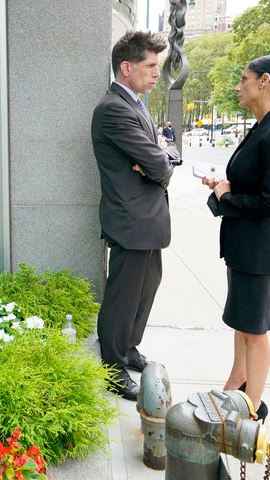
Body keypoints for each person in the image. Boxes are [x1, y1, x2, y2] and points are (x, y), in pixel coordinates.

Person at [201, 55, 270, 422]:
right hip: (244, 247)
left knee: (255, 329)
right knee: (243, 322)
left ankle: (251, 408)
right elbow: (250, 185)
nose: (237, 86)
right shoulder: (262, 127)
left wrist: (226, 197)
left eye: (243, 79)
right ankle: (237, 382)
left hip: (259, 249)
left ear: (264, 81)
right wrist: (222, 188)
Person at [91, 31, 174, 400]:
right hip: (131, 220)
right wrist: (156, 159)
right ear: (127, 67)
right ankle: (112, 365)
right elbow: (160, 162)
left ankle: (127, 348)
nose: (157, 73)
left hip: (146, 219)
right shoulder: (114, 109)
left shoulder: (134, 104)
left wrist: (156, 158)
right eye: (150, 65)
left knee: (147, 286)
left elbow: (159, 157)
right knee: (124, 295)